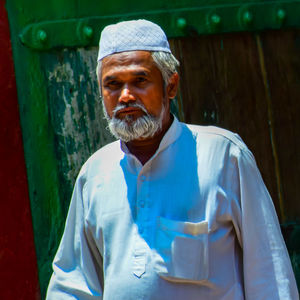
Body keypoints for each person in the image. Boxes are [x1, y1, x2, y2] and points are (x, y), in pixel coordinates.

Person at [46, 19, 298, 299]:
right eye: (113, 85)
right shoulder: (94, 173)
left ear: (171, 86)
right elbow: (72, 284)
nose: (125, 95)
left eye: (140, 81)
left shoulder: (223, 155)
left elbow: (269, 271)